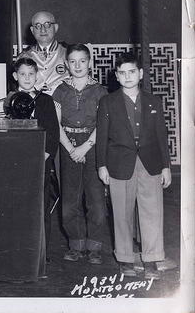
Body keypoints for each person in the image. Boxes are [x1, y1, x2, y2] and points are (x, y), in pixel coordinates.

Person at [96, 52, 172, 279]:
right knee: (121, 214)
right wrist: (102, 165)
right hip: (119, 164)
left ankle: (151, 259)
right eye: (122, 73)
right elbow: (102, 137)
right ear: (116, 77)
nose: (127, 76)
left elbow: (161, 135)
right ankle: (126, 259)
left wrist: (166, 166)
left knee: (152, 212)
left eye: (131, 72)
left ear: (140, 74)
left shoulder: (154, 101)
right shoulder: (107, 102)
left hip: (150, 164)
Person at [52, 44, 108, 265]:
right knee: (69, 201)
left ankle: (94, 246)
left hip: (93, 146)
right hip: (68, 147)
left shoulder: (100, 91)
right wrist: (71, 149)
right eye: (72, 61)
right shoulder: (60, 90)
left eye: (82, 61)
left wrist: (85, 147)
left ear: (90, 63)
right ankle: (76, 243)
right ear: (66, 64)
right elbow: (55, 123)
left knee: (96, 200)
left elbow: (104, 123)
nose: (77, 66)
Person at [8, 57, 59, 260]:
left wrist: (42, 159)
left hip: (40, 163)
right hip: (17, 163)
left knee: (40, 206)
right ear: (15, 76)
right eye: (22, 74)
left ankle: (41, 253)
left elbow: (53, 133)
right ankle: (17, 249)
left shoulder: (45, 101)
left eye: (31, 74)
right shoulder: (8, 100)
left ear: (37, 75)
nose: (27, 78)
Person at [18, 11, 68, 95]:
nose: (43, 29)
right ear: (32, 30)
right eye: (38, 26)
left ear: (55, 27)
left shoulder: (69, 54)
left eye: (47, 24)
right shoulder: (24, 57)